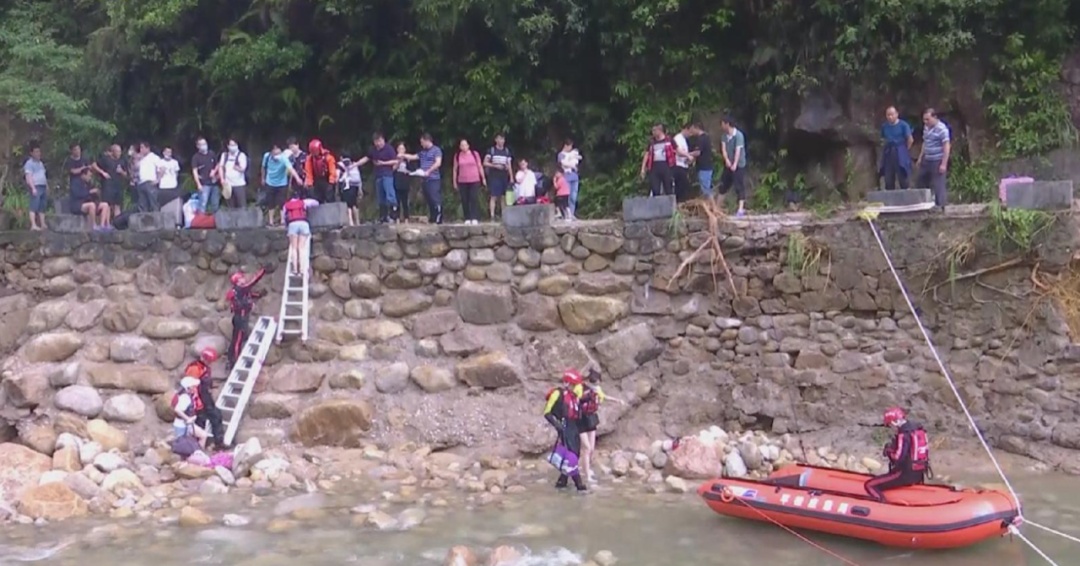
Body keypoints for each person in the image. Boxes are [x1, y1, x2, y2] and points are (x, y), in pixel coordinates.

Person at [864, 407, 931, 501]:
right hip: (919, 473)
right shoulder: (919, 430)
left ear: (894, 422)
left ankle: (881, 505)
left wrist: (888, 451)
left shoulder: (903, 435)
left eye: (890, 425)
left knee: (869, 485)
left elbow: (898, 457)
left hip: (905, 474)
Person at [543, 369, 588, 491]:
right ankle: (580, 486)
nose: (575, 387)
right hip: (564, 426)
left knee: (576, 453)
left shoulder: (573, 395)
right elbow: (547, 412)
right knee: (571, 454)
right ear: (567, 383)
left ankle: (562, 482)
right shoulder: (558, 393)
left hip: (574, 426)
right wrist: (558, 425)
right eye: (573, 385)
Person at [225, 265, 268, 370]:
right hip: (241, 318)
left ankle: (230, 360)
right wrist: (263, 271)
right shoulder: (240, 289)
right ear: (238, 281)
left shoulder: (240, 291)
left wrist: (259, 295)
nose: (244, 279)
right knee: (238, 340)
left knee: (235, 339)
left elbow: (250, 295)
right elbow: (253, 281)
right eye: (241, 279)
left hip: (239, 317)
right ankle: (235, 361)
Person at [183, 348, 225, 449]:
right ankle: (195, 446)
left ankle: (218, 443)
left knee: (216, 416)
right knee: (199, 422)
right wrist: (196, 403)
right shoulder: (195, 368)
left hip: (206, 398)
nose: (209, 362)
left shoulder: (204, 368)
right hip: (198, 400)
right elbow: (191, 387)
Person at [400, 134, 443, 224]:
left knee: (435, 198)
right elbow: (413, 157)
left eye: (422, 142)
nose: (421, 144)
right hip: (424, 179)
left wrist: (429, 171)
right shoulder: (423, 152)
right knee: (429, 198)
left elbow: (438, 163)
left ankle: (439, 217)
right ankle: (433, 217)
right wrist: (403, 155)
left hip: (433, 178)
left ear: (427, 141)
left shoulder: (436, 150)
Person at [577, 368, 606, 485]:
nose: (597, 384)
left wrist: (616, 400)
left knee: (592, 448)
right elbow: (577, 399)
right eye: (595, 382)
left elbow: (602, 397)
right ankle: (586, 474)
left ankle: (585, 468)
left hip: (591, 418)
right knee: (586, 448)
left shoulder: (597, 389)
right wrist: (586, 395)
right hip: (581, 419)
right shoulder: (580, 388)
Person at [262, 143, 302, 226]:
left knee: (282, 202)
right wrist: (263, 178)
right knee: (270, 203)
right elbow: (263, 167)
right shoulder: (267, 156)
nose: (277, 155)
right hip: (270, 182)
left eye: (279, 153)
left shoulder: (284, 158)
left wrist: (297, 178)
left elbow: (291, 169)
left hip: (282, 183)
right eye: (275, 153)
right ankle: (271, 221)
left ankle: (282, 221)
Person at [719, 116, 748, 217]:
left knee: (739, 185)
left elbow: (738, 151)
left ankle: (741, 209)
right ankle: (717, 207)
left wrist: (735, 164)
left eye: (722, 123)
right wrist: (726, 160)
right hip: (728, 163)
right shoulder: (724, 136)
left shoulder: (738, 135)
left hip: (739, 164)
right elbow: (723, 149)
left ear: (727, 124)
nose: (721, 126)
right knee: (723, 185)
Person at [880, 107, 913, 192]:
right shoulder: (884, 126)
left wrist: (905, 150)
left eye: (892, 114)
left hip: (900, 149)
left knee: (902, 174)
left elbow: (910, 139)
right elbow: (883, 138)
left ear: (896, 114)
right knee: (888, 175)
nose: (890, 117)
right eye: (888, 115)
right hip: (889, 150)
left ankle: (906, 194)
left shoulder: (903, 125)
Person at [283, 194, 319, 274]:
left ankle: (295, 269)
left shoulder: (286, 205)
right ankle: (302, 269)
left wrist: (286, 226)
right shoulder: (303, 202)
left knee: (294, 248)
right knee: (302, 248)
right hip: (303, 223)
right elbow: (316, 203)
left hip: (292, 224)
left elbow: (284, 218)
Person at [172, 377, 209, 448]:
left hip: (187, 424)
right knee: (182, 446)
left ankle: (198, 453)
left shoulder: (184, 395)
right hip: (181, 425)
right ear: (188, 388)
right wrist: (188, 419)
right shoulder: (185, 397)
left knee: (203, 435)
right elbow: (177, 410)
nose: (195, 389)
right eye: (193, 387)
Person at [640, 124, 676, 197]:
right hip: (654, 167)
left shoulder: (669, 140)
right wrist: (643, 168)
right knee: (655, 189)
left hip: (666, 166)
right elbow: (646, 154)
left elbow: (676, 150)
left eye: (654, 130)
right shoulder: (652, 142)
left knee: (668, 187)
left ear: (659, 131)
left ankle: (670, 206)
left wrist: (687, 155)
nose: (653, 132)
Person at [483, 134, 513, 220]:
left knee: (504, 197)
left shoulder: (506, 151)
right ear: (496, 140)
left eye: (503, 139)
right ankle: (492, 215)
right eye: (500, 139)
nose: (501, 141)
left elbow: (509, 165)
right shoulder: (491, 151)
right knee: (494, 196)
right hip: (494, 176)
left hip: (504, 176)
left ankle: (504, 215)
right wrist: (495, 166)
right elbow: (485, 162)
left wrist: (511, 177)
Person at [95, 144, 128, 218]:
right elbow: (94, 165)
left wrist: (121, 172)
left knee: (117, 205)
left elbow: (126, 174)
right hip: (108, 185)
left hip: (118, 185)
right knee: (107, 204)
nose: (119, 153)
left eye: (120, 151)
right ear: (113, 152)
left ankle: (117, 223)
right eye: (117, 151)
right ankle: (106, 223)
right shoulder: (106, 159)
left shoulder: (122, 161)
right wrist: (103, 172)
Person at [23, 142, 48, 230]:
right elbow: (28, 176)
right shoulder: (29, 164)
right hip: (36, 186)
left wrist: (47, 186)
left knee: (42, 205)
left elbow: (44, 175)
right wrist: (33, 188)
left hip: (43, 186)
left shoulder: (40, 163)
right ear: (32, 153)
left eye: (39, 151)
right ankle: (33, 224)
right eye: (36, 152)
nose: (38, 153)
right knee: (34, 205)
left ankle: (42, 224)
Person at [303, 139, 338, 203]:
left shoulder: (329, 157)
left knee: (330, 198)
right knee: (316, 200)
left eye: (315, 151)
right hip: (317, 181)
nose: (313, 153)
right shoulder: (309, 159)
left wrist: (331, 183)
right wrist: (310, 184)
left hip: (327, 180)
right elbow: (309, 172)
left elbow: (332, 171)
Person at [192, 138, 220, 213]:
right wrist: (198, 184)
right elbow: (194, 171)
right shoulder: (196, 157)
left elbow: (217, 165)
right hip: (204, 184)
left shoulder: (211, 153)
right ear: (198, 146)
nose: (204, 146)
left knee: (215, 204)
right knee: (202, 204)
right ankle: (201, 222)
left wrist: (214, 172)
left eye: (205, 143)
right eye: (201, 144)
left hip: (214, 183)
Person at [219, 139, 249, 208]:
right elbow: (221, 167)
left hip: (239, 184)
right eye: (231, 145)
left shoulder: (241, 155)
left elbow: (243, 169)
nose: (232, 147)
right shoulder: (224, 155)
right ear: (228, 146)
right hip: (228, 185)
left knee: (242, 206)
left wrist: (237, 168)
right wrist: (222, 179)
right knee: (230, 206)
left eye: (234, 145)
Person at [557, 139, 582, 219]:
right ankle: (567, 214)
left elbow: (575, 162)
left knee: (573, 196)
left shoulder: (574, 153)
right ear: (565, 146)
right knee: (567, 196)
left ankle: (572, 213)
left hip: (574, 176)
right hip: (566, 177)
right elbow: (563, 164)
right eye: (570, 146)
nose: (571, 148)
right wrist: (570, 164)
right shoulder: (561, 154)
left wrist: (570, 164)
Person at [339, 155, 363, 226]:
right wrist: (360, 188)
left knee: (349, 205)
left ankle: (351, 222)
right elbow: (359, 179)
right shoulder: (355, 166)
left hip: (347, 186)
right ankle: (357, 222)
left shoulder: (343, 165)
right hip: (355, 186)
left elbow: (340, 177)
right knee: (354, 204)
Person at [394, 142, 413, 222]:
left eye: (403, 149)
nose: (401, 150)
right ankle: (397, 218)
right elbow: (393, 169)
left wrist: (407, 162)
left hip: (405, 181)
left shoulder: (408, 159)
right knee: (396, 201)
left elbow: (412, 170)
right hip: (397, 181)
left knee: (405, 201)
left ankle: (406, 218)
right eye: (399, 148)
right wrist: (398, 161)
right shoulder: (394, 158)